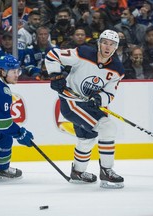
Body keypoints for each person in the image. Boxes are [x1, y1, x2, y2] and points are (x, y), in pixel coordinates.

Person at [45, 29, 125, 188]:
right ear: (99, 43)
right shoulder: (83, 53)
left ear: (116, 48)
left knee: (87, 138)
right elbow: (52, 55)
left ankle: (78, 172)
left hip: (89, 106)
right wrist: (55, 75)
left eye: (112, 44)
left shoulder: (117, 69)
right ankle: (107, 171)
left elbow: (109, 93)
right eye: (105, 42)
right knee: (107, 127)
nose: (107, 47)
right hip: (71, 102)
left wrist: (99, 98)